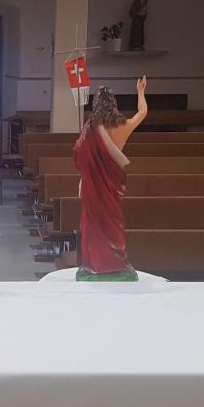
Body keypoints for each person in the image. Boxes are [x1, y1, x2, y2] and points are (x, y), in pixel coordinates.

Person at [72, 76, 148, 281]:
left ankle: (94, 264)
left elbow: (80, 155)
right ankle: (115, 264)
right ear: (114, 104)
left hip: (92, 185)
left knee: (92, 224)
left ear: (96, 104)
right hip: (111, 185)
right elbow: (142, 112)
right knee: (113, 224)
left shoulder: (91, 127)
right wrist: (140, 91)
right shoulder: (124, 126)